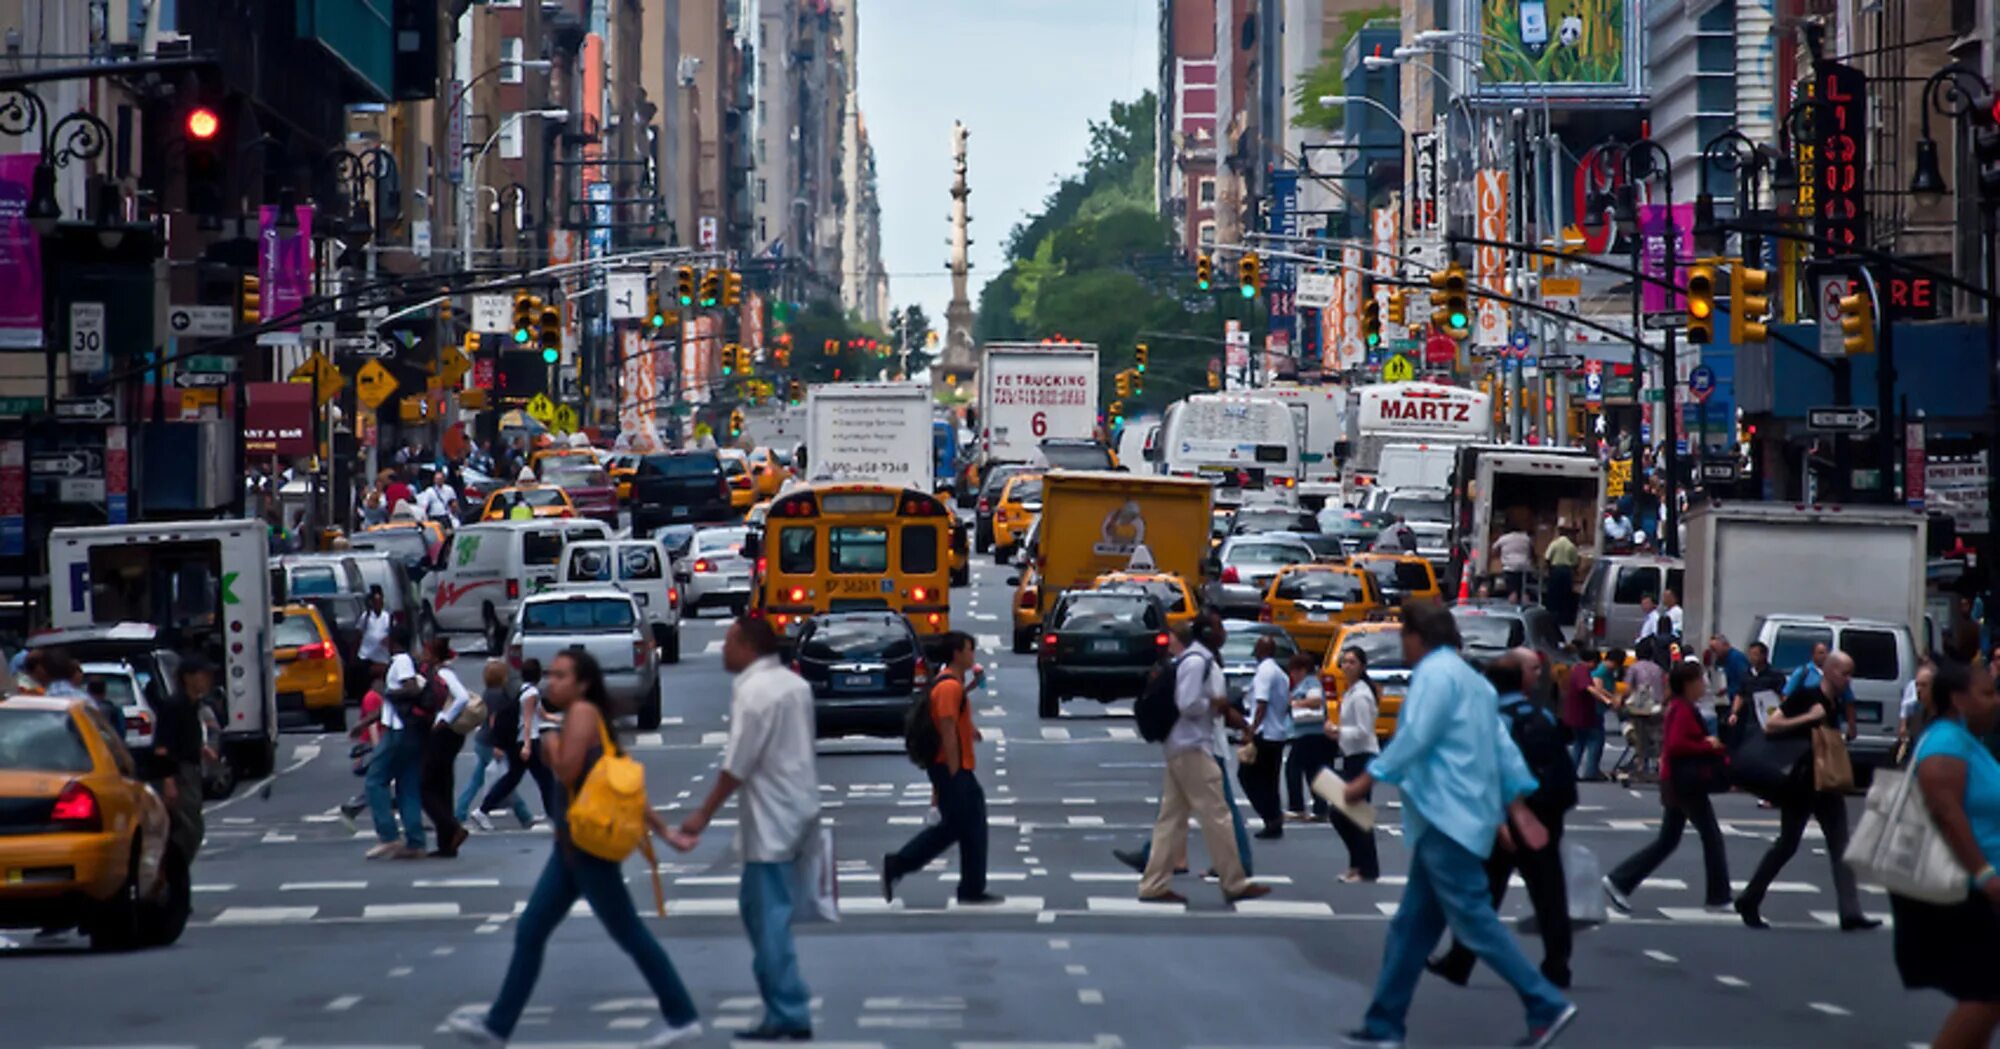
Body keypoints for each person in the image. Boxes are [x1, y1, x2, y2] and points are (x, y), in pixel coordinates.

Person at [1340, 604, 1575, 1049]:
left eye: (1403, 636)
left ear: (1416, 636)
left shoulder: (1433, 676)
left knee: (1472, 919)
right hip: (1462, 815)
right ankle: (1384, 1024)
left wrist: (1367, 778)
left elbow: (1415, 735)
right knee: (1411, 928)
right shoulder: (1474, 682)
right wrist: (1517, 803)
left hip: (1446, 815)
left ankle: (1544, 1002)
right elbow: (1502, 748)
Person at [449, 649, 702, 1049]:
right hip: (571, 849)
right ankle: (497, 1028)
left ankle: (682, 1015)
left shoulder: (582, 714)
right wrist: (666, 833)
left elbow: (566, 770)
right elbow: (627, 788)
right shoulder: (586, 718)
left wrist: (548, 745)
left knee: (627, 934)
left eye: (562, 675)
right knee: (533, 930)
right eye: (551, 674)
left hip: (586, 850)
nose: (552, 681)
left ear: (582, 683)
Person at [671, 616, 822, 1040]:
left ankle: (788, 1008)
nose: (722, 650)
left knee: (766, 915)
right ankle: (785, 1004)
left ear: (746, 645)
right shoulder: (795, 686)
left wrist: (701, 815)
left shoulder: (752, 691)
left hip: (770, 817)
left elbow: (737, 763)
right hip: (801, 808)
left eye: (728, 641)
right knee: (767, 910)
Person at [1430, 648, 1576, 990]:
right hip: (1545, 816)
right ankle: (1558, 965)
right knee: (1549, 894)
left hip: (1504, 819)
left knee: (1482, 894)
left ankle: (1459, 961)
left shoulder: (1492, 721)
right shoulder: (1543, 717)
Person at [1891, 660, 2000, 1049]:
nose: (1995, 701)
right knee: (1985, 994)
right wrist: (1985, 875)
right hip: (1959, 887)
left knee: (1987, 994)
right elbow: (1945, 812)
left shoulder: (1966, 740)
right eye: (1987, 693)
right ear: (1957, 699)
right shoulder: (1946, 743)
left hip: (1972, 885)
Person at [1734, 651, 1878, 931]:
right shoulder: (1807, 696)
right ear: (1829, 671)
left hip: (1825, 782)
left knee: (1841, 845)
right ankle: (1750, 897)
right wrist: (1808, 718)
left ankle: (1850, 912)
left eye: (1851, 674)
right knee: (1787, 844)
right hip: (1799, 783)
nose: (1848, 680)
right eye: (1844, 673)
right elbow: (1773, 725)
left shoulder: (1835, 702)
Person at [1137, 622, 1269, 906]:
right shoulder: (1198, 662)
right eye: (1219, 629)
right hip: (1193, 746)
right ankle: (1233, 881)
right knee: (1217, 814)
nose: (1224, 634)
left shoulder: (1193, 660)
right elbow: (1188, 704)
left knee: (1171, 820)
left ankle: (1153, 884)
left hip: (1180, 746)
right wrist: (1213, 704)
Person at [883, 631, 1004, 906]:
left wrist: (969, 728)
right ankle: (901, 863)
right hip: (952, 766)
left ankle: (969, 886)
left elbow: (953, 720)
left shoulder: (951, 684)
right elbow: (947, 729)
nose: (972, 655)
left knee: (963, 826)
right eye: (969, 650)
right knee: (958, 826)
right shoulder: (948, 687)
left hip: (952, 767)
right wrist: (954, 773)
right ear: (957, 653)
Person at [1602, 660, 1733, 914]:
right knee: (1710, 837)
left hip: (1677, 781)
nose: (1704, 685)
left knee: (1669, 840)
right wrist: (1708, 745)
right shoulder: (1682, 709)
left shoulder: (1679, 706)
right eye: (1700, 680)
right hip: (1684, 782)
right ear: (1689, 684)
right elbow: (1675, 745)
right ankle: (1719, 896)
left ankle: (1620, 880)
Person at [367, 635, 430, 858]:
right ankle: (415, 842)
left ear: (392, 642)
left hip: (399, 731)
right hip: (411, 732)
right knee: (408, 785)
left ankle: (389, 836)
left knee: (375, 779)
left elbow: (411, 688)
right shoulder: (404, 661)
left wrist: (390, 693)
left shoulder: (401, 661)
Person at [458, 660, 534, 831]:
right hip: (492, 743)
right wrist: (498, 745)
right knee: (506, 780)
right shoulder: (500, 695)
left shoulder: (488, 693)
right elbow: (495, 721)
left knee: (477, 780)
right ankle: (524, 815)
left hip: (482, 740)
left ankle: (459, 813)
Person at [150, 655, 213, 861]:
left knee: (190, 824)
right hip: (178, 772)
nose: (207, 680)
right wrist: (168, 780)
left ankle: (174, 870)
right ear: (188, 678)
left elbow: (187, 736)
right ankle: (172, 870)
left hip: (192, 770)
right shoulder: (173, 706)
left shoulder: (195, 705)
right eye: (202, 675)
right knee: (188, 828)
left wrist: (202, 748)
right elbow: (162, 746)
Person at [417, 636, 474, 858]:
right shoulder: (437, 673)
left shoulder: (443, 674)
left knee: (425, 786)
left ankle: (452, 828)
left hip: (443, 735)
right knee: (442, 785)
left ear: (433, 654)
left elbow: (461, 698)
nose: (423, 654)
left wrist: (444, 719)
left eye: (426, 650)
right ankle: (447, 845)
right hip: (448, 736)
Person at [1331, 645, 1381, 883]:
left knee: (1353, 815)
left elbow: (1363, 731)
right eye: (1345, 661)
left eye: (1352, 662)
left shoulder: (1361, 695)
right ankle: (1357, 865)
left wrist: (1337, 731)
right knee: (1347, 814)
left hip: (1363, 757)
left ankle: (1366, 868)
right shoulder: (1352, 691)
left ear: (1362, 666)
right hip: (1353, 757)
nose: (1347, 666)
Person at [1237, 636, 1291, 839]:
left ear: (1260, 651)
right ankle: (1274, 822)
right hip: (1277, 733)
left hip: (1264, 734)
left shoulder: (1264, 672)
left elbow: (1261, 704)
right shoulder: (1280, 673)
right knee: (1270, 780)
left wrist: (1251, 730)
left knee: (1247, 776)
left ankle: (1270, 816)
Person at [1283, 651, 1334, 822]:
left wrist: (1295, 703)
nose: (1292, 675)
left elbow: (1315, 701)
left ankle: (1297, 806)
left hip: (1310, 733)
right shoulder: (1307, 683)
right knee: (1313, 772)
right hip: (1312, 734)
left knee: (1293, 768)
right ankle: (1320, 808)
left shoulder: (1310, 682)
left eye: (1294, 671)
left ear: (1302, 670)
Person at [1782, 643, 1859, 743]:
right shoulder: (1803, 672)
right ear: (1813, 655)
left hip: (1831, 725)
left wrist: (1851, 725)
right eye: (1820, 653)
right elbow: (1786, 697)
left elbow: (1849, 702)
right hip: (1808, 726)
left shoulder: (1838, 676)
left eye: (1826, 652)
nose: (1824, 655)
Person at [1561, 641, 1610, 781]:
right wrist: (1605, 700)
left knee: (1579, 743)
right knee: (1595, 740)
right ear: (1592, 661)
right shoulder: (1582, 671)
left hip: (1577, 714)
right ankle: (1591, 771)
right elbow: (1589, 688)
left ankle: (1572, 772)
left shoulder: (1577, 669)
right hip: (1581, 715)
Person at [1726, 641, 1786, 731]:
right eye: (1750, 654)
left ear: (1764, 655)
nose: (1752, 658)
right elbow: (1740, 695)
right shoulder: (1746, 674)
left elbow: (1783, 696)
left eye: (1755, 654)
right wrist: (1734, 713)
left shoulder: (1776, 675)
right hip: (1751, 718)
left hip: (1769, 714)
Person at [1898, 659, 1937, 763]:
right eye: (1917, 685)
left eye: (1924, 685)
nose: (1918, 689)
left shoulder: (1945, 715)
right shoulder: (1917, 711)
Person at [1542, 522, 1581, 626]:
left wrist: (1548, 570)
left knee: (1553, 595)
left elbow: (1547, 558)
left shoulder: (1554, 543)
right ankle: (1563, 619)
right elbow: (1575, 564)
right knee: (1565, 595)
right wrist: (1575, 575)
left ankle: (1551, 617)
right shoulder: (1571, 546)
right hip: (1566, 572)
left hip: (1555, 571)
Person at [1491, 524, 1534, 604]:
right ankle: (1526, 610)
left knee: (1513, 591)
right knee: (1525, 592)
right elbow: (1532, 552)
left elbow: (1494, 550)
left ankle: (1513, 609)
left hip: (1510, 568)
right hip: (1525, 567)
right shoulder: (1526, 538)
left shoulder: (1504, 538)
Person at [356, 587, 393, 679]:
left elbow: (392, 634)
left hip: (382, 657)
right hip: (366, 655)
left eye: (380, 601)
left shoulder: (387, 617)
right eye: (376, 601)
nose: (379, 604)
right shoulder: (366, 616)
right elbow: (359, 634)